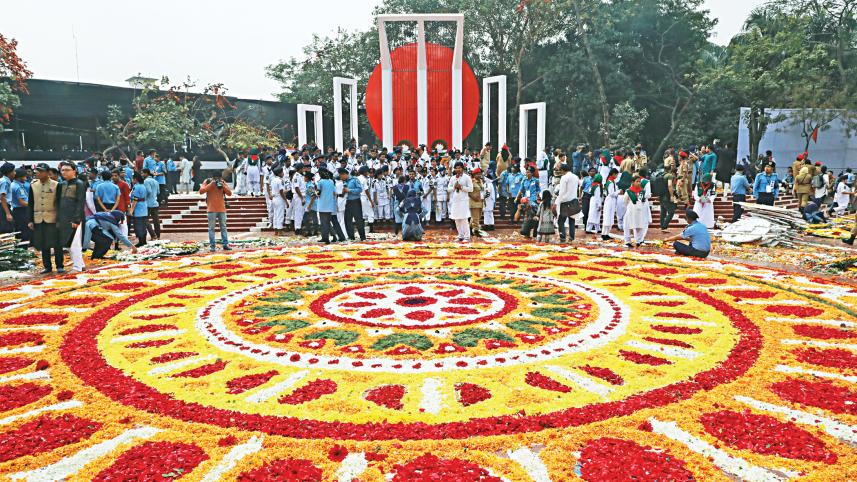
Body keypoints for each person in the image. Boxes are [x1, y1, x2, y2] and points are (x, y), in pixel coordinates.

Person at [28, 163, 61, 274]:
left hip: (52, 217)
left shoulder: (56, 185)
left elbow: (59, 204)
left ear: (47, 173)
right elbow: (30, 203)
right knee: (43, 243)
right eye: (37, 171)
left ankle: (59, 265)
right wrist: (30, 220)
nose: (38, 173)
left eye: (41, 171)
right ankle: (47, 266)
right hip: (38, 218)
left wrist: (59, 219)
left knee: (56, 242)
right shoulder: (33, 185)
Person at [57, 162, 86, 272]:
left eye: (67, 170)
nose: (64, 172)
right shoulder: (62, 184)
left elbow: (80, 202)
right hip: (64, 218)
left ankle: (77, 267)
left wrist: (76, 219)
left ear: (74, 171)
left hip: (75, 218)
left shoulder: (79, 184)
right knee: (69, 242)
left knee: (75, 243)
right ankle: (81, 264)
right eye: (62, 170)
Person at [199, 174, 232, 252]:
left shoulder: (222, 182)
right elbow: (201, 191)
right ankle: (212, 246)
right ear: (212, 177)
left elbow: (229, 193)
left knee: (223, 228)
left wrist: (223, 185)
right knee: (211, 229)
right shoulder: (207, 181)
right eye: (215, 178)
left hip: (222, 209)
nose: (217, 179)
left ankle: (225, 245)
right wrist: (211, 184)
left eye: (219, 178)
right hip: (211, 209)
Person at [316, 169, 345, 244]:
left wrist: (315, 191)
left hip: (323, 205)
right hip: (331, 205)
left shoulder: (320, 182)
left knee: (325, 222)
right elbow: (334, 193)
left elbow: (318, 193)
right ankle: (339, 237)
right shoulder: (331, 182)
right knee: (332, 222)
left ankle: (326, 238)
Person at [553, 163, 580, 243]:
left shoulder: (564, 177)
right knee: (572, 221)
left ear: (562, 170)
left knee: (560, 221)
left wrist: (556, 202)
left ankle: (562, 238)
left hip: (565, 202)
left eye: (560, 171)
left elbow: (562, 192)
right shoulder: (576, 177)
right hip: (574, 200)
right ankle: (571, 238)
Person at [447, 162, 473, 242]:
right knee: (456, 219)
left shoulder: (467, 177)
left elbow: (471, 189)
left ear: (462, 168)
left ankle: (467, 236)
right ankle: (460, 235)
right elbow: (448, 189)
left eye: (459, 168)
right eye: (456, 168)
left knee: (464, 219)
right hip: (455, 201)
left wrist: (461, 187)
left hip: (463, 201)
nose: (458, 169)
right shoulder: (452, 178)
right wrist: (454, 188)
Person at [623, 176, 647, 248]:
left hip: (639, 210)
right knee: (628, 225)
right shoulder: (628, 191)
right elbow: (625, 201)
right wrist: (630, 206)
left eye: (639, 181)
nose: (639, 183)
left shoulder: (642, 191)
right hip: (631, 209)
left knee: (639, 226)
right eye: (637, 181)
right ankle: (627, 241)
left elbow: (643, 201)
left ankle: (639, 241)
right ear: (632, 182)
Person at [343, 168, 367, 241]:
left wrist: (349, 190)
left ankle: (362, 237)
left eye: (341, 176)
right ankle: (351, 236)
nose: (341, 178)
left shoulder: (354, 180)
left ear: (345, 174)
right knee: (347, 220)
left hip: (356, 201)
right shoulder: (344, 182)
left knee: (358, 220)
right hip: (348, 201)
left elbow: (360, 189)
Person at [10, 168, 30, 243]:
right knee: (23, 232)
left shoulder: (13, 184)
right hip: (21, 211)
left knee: (19, 231)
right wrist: (33, 205)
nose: (25, 178)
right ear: (19, 177)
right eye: (24, 176)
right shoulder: (18, 187)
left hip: (17, 211)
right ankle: (23, 249)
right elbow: (22, 202)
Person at [129, 172, 149, 247]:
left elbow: (135, 199)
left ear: (135, 179)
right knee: (143, 225)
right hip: (143, 207)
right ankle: (144, 240)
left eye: (133, 179)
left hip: (138, 208)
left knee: (138, 225)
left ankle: (141, 241)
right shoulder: (143, 186)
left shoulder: (136, 187)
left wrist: (131, 210)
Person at [601, 169, 620, 240]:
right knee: (607, 217)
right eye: (616, 174)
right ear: (613, 174)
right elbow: (611, 193)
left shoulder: (612, 181)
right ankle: (603, 234)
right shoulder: (610, 182)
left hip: (612, 200)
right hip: (610, 200)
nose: (617, 176)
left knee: (610, 217)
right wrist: (618, 192)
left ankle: (607, 233)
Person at [142, 169, 161, 240]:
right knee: (156, 220)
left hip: (148, 203)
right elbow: (158, 192)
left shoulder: (146, 181)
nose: (142, 175)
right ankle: (158, 235)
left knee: (145, 219)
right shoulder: (156, 181)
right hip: (155, 203)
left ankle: (153, 234)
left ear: (146, 173)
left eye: (142, 173)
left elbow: (149, 191)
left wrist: (144, 197)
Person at [270, 168, 288, 235]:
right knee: (280, 215)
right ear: (279, 173)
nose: (283, 173)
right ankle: (280, 231)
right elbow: (281, 192)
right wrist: (286, 201)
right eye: (282, 172)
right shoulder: (279, 181)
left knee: (276, 215)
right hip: (279, 198)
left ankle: (276, 231)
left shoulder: (273, 180)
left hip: (274, 198)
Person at [0, 163, 15, 234]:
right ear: (9, 172)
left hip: (3, 206)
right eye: (14, 171)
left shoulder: (4, 180)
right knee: (6, 229)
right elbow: (2, 197)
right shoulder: (5, 182)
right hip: (3, 207)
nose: (15, 173)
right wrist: (8, 213)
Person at [469, 168, 484, 236]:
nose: (479, 175)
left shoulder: (481, 181)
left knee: (478, 217)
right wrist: (474, 197)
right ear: (474, 174)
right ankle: (476, 231)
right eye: (477, 174)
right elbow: (469, 192)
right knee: (475, 218)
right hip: (474, 202)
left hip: (481, 201)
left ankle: (469, 228)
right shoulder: (471, 181)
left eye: (480, 174)